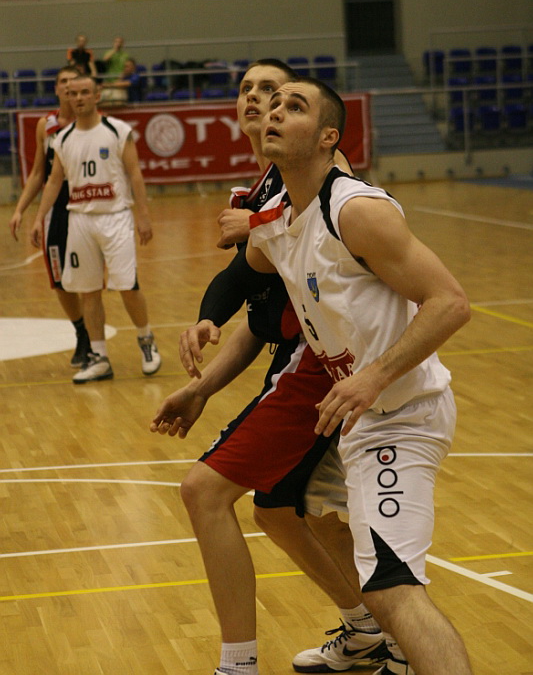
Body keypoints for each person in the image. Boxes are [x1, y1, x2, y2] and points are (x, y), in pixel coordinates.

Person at [151, 61, 389, 675]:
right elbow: (254, 305)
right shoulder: (269, 188)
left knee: (209, 492)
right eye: (249, 91)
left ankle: (242, 663)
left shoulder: (319, 181)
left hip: (325, 362)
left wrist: (257, 222)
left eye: (277, 93)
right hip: (307, 358)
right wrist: (204, 376)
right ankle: (372, 629)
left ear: (322, 127)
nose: (261, 101)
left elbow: (330, 224)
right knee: (281, 508)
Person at [245, 77, 473, 675]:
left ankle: (397, 639)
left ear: (328, 138)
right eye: (272, 105)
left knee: (393, 587)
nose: (274, 111)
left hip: (401, 414)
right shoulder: (273, 220)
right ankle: (380, 644)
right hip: (355, 421)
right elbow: (252, 264)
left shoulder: (355, 210)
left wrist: (372, 376)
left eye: (294, 106)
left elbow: (450, 303)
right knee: (289, 508)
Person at [29, 75, 161, 384]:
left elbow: (135, 173)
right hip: (80, 220)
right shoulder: (62, 138)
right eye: (73, 93)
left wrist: (143, 216)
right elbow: (53, 181)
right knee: (88, 291)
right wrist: (39, 217)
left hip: (115, 217)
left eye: (85, 92)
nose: (78, 98)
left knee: (127, 286)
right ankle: (99, 357)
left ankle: (146, 340)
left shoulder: (117, 130)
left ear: (97, 95)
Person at [9, 65, 92, 368]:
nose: (69, 87)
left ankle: (95, 341)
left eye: (74, 81)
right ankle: (82, 332)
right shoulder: (46, 125)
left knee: (90, 277)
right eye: (63, 82)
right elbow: (37, 173)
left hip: (86, 203)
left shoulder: (93, 124)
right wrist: (20, 209)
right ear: (57, 89)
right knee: (59, 279)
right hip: (56, 206)